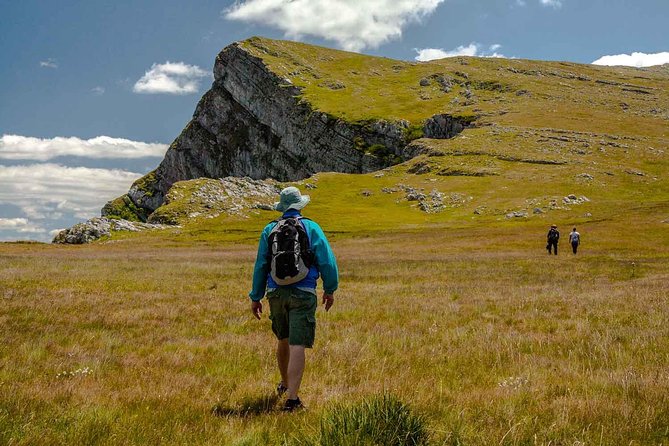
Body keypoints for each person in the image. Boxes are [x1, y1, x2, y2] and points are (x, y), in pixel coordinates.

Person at [249, 186, 339, 412]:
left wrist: (256, 297)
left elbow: (261, 265)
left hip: (276, 292)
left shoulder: (270, 229)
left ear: (282, 208)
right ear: (300, 206)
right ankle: (292, 399)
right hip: (304, 291)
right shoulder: (310, 226)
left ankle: (285, 384)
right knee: (298, 343)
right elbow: (327, 261)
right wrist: (330, 289)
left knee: (283, 339)